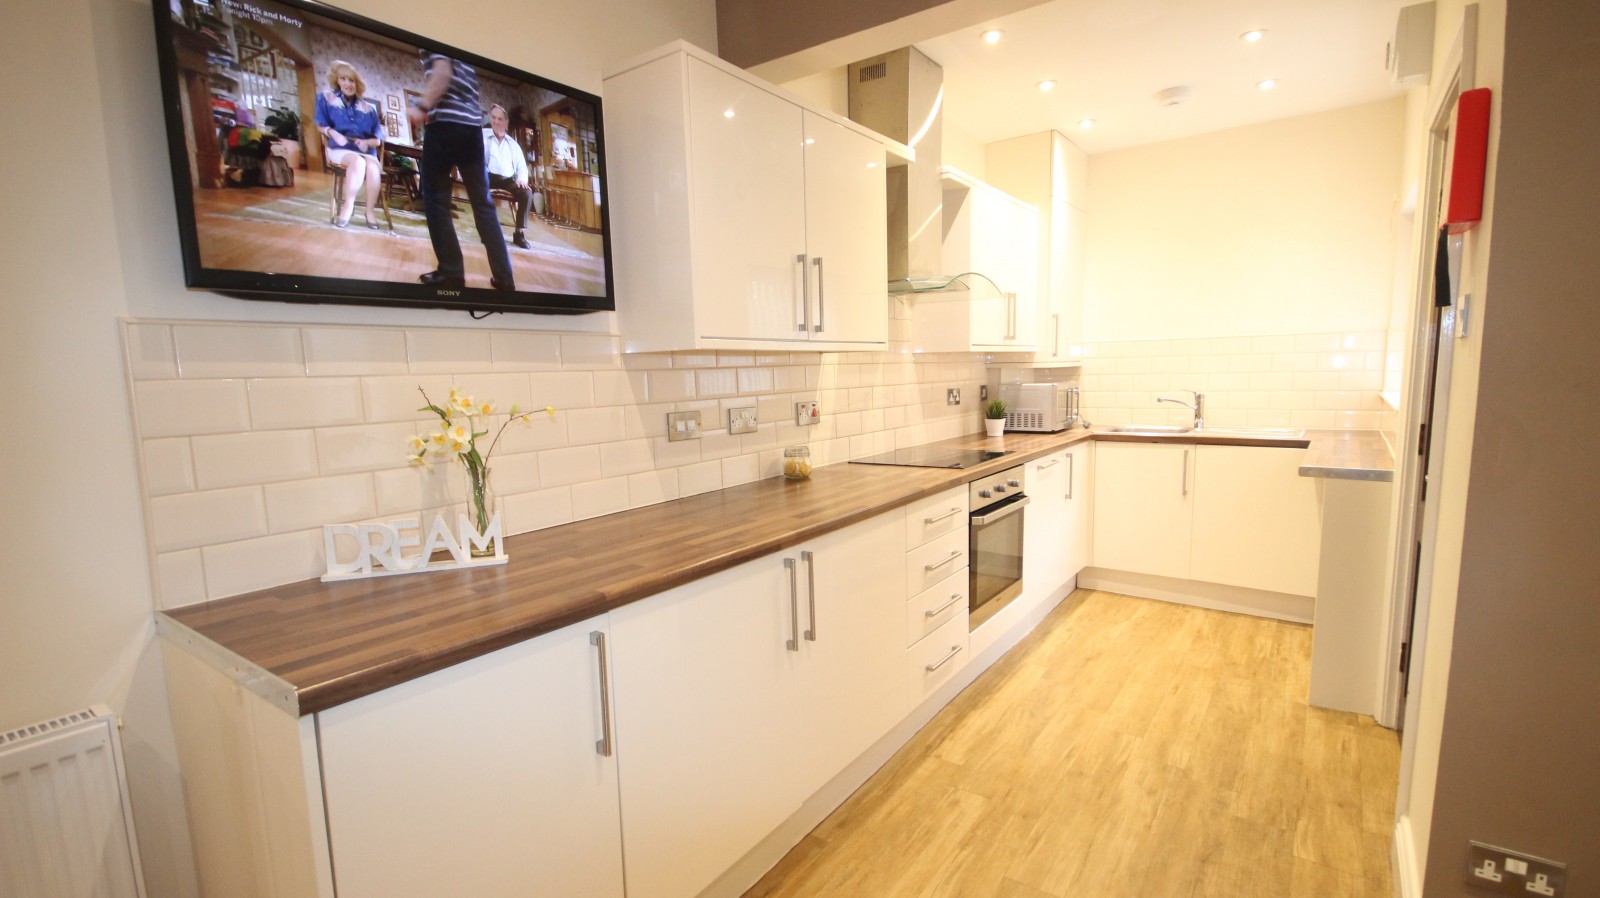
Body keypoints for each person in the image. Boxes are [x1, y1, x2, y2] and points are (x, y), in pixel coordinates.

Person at [407, 53, 515, 291]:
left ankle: (452, 273)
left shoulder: (433, 27)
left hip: (444, 123)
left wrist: (422, 105)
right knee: (483, 204)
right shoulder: (463, 42)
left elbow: (443, 71)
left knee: (435, 199)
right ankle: (505, 279)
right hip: (472, 128)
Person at [313, 61, 384, 229]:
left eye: (352, 80)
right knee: (357, 162)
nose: (348, 84)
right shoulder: (326, 98)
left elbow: (378, 139)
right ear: (337, 80)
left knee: (373, 168)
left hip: (365, 151)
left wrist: (367, 142)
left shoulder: (368, 108)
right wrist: (333, 133)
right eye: (343, 79)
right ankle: (348, 206)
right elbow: (320, 125)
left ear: (357, 84)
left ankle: (370, 212)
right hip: (339, 148)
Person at [483, 105, 534, 250]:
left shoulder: (513, 144)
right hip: (487, 177)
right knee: (478, 189)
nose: (496, 122)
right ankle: (486, 231)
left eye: (500, 119)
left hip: (507, 180)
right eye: (493, 118)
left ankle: (519, 234)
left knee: (526, 193)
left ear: (506, 123)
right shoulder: (482, 136)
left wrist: (522, 180)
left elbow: (522, 167)